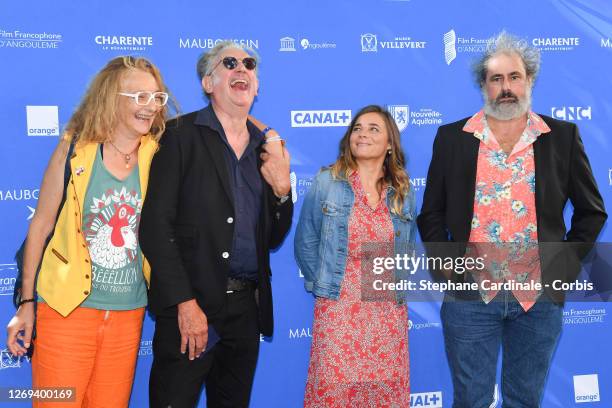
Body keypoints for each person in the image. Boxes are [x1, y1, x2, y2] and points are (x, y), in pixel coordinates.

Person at [417, 31, 607, 407]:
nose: (507, 87)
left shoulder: (562, 137)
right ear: (484, 86)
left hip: (538, 299)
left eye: (514, 77)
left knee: (524, 400)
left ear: (529, 80)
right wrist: (448, 269)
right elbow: (431, 213)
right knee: (471, 400)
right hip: (469, 296)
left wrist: (561, 268)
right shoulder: (452, 138)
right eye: (496, 79)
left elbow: (591, 211)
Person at [6, 56, 173, 407]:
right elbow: (41, 225)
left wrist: (269, 134)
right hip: (66, 309)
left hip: (129, 314)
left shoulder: (159, 154)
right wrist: (26, 304)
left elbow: (225, 120)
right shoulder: (75, 150)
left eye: (156, 97)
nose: (151, 107)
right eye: (139, 97)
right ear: (112, 97)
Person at [139, 41, 293, 408]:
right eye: (230, 63)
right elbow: (155, 228)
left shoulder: (267, 149)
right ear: (209, 83)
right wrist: (185, 303)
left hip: (246, 310)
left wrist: (283, 190)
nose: (242, 69)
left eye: (249, 64)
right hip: (190, 308)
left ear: (257, 86)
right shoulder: (178, 136)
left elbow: (273, 237)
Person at [294, 105, 415, 407]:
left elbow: (405, 249)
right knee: (333, 394)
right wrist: (324, 286)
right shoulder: (327, 182)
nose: (362, 134)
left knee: (383, 396)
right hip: (338, 309)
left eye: (374, 128)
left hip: (386, 314)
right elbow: (305, 241)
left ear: (390, 144)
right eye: (357, 128)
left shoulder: (401, 190)